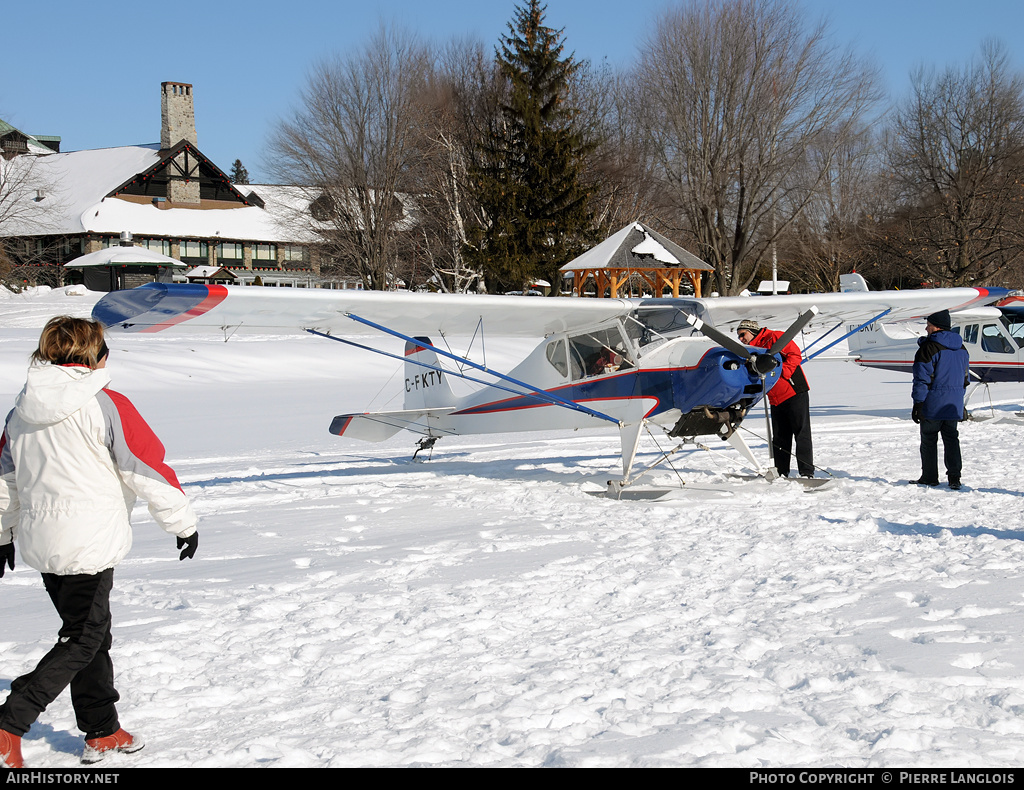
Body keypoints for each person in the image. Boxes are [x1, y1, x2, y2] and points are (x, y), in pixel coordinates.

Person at [0, 316, 198, 768]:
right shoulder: (106, 403)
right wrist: (182, 523)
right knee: (83, 638)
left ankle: (103, 731)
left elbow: (5, 481)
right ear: (96, 356)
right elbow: (146, 468)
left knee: (89, 635)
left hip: (44, 540)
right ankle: (10, 722)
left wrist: (1, 535)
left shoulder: (20, 412)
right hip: (88, 541)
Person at [737, 318, 814, 477]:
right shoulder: (749, 350)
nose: (741, 339)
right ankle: (781, 471)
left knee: (801, 433)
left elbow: (795, 354)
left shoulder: (774, 337)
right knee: (779, 437)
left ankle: (807, 472)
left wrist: (782, 372)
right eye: (739, 336)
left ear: (751, 332)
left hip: (794, 391)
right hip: (775, 397)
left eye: (742, 334)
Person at [911, 309, 969, 490]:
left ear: (936, 327)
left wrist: (918, 403)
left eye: (928, 325)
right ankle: (954, 477)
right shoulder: (962, 347)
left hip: (933, 403)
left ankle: (929, 477)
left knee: (929, 439)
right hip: (953, 404)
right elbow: (965, 378)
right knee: (951, 439)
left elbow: (922, 379)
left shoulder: (928, 348)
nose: (926, 329)